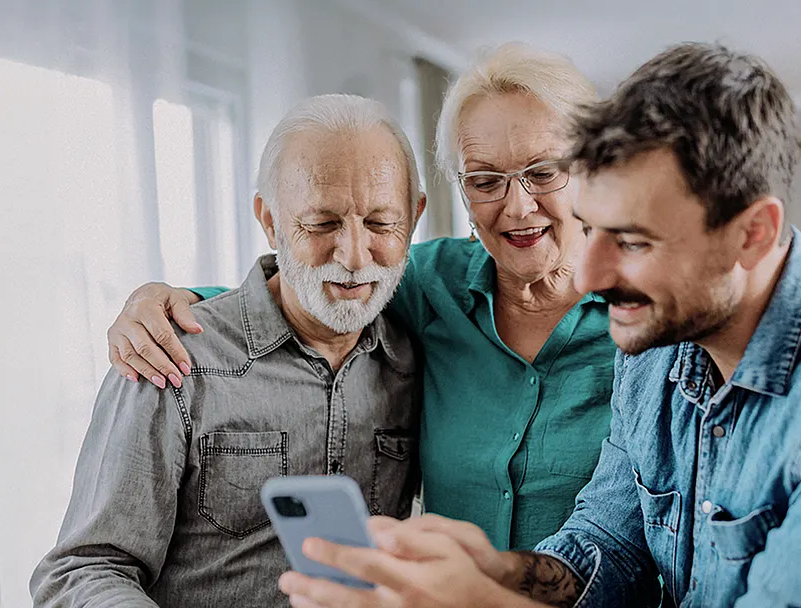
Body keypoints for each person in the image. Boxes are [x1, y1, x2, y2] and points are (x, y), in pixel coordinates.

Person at [278, 42, 801, 608]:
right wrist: (492, 568)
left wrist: (482, 601)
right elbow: (608, 542)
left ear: (752, 235)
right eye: (595, 228)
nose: (591, 277)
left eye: (631, 240)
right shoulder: (658, 347)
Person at [106, 43, 613, 551]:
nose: (518, 207)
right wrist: (175, 302)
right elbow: (318, 286)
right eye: (485, 180)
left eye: (544, 172)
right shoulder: (434, 284)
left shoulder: (645, 320)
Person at [30, 94, 426, 607]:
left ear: (413, 218)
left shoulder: (413, 363)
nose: (353, 256)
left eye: (380, 223)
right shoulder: (169, 355)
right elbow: (82, 570)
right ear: (270, 220)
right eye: (322, 224)